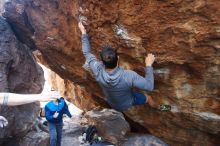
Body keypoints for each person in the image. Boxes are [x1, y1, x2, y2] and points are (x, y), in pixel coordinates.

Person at [78, 22, 171, 112]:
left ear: (101, 62)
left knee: (128, 90)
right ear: (118, 59)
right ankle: (159, 108)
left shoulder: (97, 69)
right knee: (148, 98)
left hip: (112, 103)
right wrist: (148, 65)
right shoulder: (128, 76)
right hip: (127, 103)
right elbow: (149, 86)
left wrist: (83, 32)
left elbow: (87, 52)